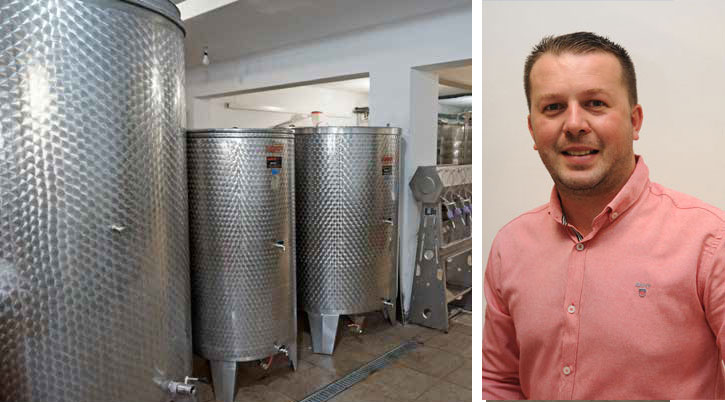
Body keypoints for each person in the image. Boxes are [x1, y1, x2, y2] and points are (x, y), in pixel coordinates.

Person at [482, 32, 725, 400]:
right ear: (532, 129)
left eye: (595, 103)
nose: (574, 124)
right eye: (553, 107)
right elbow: (498, 381)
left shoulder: (710, 243)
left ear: (634, 121)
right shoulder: (509, 246)